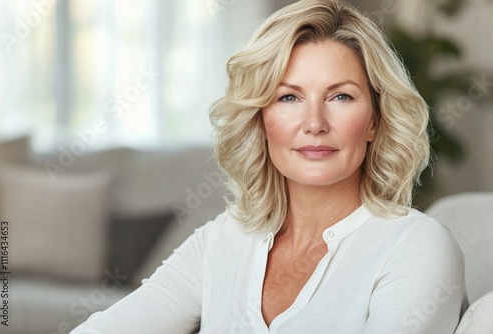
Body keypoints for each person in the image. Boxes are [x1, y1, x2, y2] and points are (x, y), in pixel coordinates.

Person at [71, 0, 468, 333]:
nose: (314, 123)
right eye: (289, 98)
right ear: (260, 119)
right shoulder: (224, 239)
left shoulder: (416, 245)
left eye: (341, 97)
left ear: (375, 121)